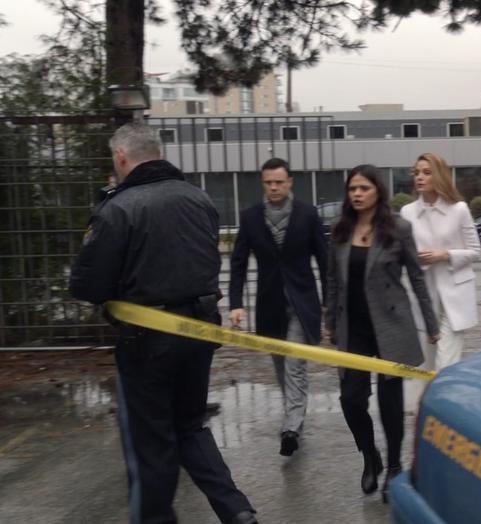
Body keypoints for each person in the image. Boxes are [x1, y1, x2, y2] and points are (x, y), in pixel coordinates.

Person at [69, 122, 257, 524]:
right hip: (199, 333)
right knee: (191, 427)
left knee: (152, 444)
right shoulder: (199, 199)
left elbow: (86, 284)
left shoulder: (119, 208)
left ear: (121, 157)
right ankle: (237, 510)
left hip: (147, 342)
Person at [322, 164, 440, 502]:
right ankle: (369, 455)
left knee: (390, 403)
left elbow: (416, 278)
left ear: (378, 192)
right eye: (352, 189)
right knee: (350, 399)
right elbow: (331, 278)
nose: (357, 194)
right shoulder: (341, 230)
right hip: (352, 328)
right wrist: (330, 320)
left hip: (391, 326)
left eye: (364, 188)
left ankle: (393, 467)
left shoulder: (399, 229)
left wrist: (431, 325)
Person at [228, 158, 328, 457]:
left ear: (290, 182)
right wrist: (235, 304)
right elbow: (238, 263)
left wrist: (329, 303)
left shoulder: (308, 215)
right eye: (268, 182)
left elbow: (324, 263)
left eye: (279, 182)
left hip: (302, 302)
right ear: (263, 183)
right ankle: (293, 413)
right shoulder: (250, 218)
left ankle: (291, 427)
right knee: (281, 364)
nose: (273, 187)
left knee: (295, 361)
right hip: (269, 304)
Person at [399, 152, 481, 370]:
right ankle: (422, 403)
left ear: (440, 176)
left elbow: (475, 251)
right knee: (424, 366)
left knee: (445, 363)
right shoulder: (407, 213)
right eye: (416, 173)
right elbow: (403, 256)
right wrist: (416, 258)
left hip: (455, 295)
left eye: (427, 172)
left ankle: (437, 399)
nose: (420, 177)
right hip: (424, 296)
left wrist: (445, 255)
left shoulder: (459, 209)